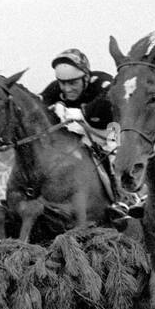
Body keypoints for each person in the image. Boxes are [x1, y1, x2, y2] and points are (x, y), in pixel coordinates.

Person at [40, 48, 133, 223]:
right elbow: (37, 107)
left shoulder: (104, 83)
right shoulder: (55, 89)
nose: (67, 88)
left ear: (85, 77)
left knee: (114, 150)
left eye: (73, 83)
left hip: (113, 127)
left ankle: (123, 198)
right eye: (62, 83)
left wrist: (82, 115)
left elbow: (109, 108)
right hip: (80, 133)